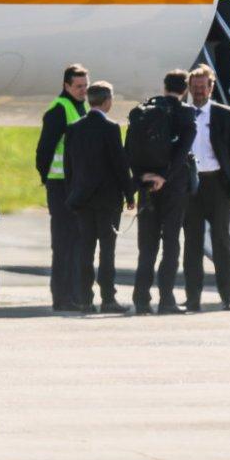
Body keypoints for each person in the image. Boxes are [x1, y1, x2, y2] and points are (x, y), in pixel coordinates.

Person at [127, 70, 197, 315]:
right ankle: (166, 299)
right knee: (170, 244)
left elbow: (130, 148)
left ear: (164, 86)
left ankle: (141, 299)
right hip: (173, 188)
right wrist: (164, 177)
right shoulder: (185, 114)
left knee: (147, 246)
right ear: (185, 89)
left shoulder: (143, 112)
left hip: (146, 186)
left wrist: (142, 177)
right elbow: (182, 152)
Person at [63, 81, 136, 314]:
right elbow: (119, 164)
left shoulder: (74, 128)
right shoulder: (111, 128)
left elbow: (68, 166)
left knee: (85, 249)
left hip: (82, 199)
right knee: (107, 250)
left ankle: (85, 299)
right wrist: (129, 194)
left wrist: (72, 192)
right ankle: (108, 299)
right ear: (107, 101)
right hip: (107, 201)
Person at [183, 64, 230, 312]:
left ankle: (227, 296)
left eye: (203, 87)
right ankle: (192, 298)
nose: (199, 91)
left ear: (211, 88)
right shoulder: (181, 113)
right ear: (189, 88)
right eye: (195, 87)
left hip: (218, 184)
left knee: (221, 241)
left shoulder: (225, 115)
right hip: (191, 185)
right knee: (192, 244)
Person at [34, 63, 89, 312]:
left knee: (78, 242)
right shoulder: (59, 110)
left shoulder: (81, 107)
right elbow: (44, 150)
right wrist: (47, 179)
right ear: (66, 86)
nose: (83, 91)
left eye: (85, 86)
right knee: (63, 243)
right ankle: (62, 297)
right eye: (78, 86)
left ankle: (76, 295)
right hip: (60, 185)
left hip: (75, 185)